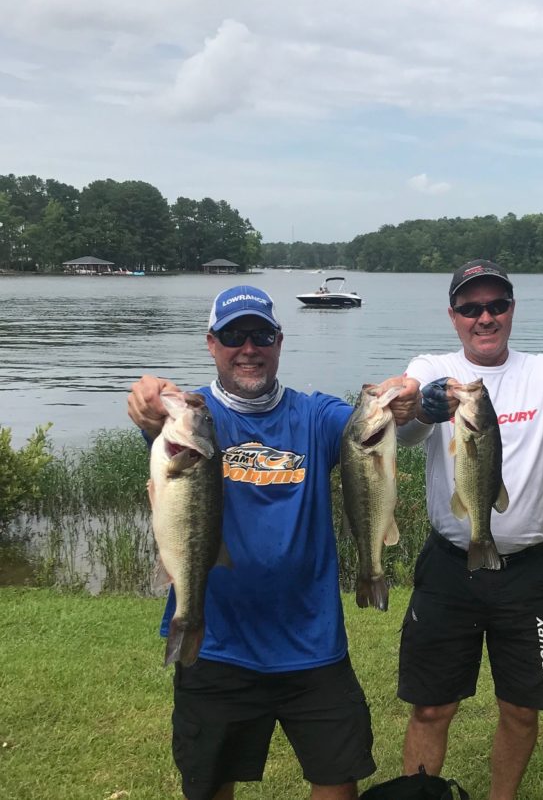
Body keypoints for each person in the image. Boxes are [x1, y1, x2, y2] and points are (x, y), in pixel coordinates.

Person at [128, 284, 413, 800]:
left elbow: (365, 431)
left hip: (312, 643)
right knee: (210, 785)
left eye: (260, 334)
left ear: (279, 341)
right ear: (211, 344)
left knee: (337, 782)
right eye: (233, 335)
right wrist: (148, 406)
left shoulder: (316, 415)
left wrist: (407, 401)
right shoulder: (190, 421)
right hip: (217, 643)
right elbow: (151, 418)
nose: (248, 347)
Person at [394, 259, 543, 800]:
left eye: (496, 305)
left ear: (511, 309)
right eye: (471, 307)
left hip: (528, 571)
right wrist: (423, 409)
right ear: (453, 316)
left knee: (522, 708)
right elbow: (403, 423)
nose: (485, 317)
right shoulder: (433, 366)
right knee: (432, 706)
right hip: (448, 568)